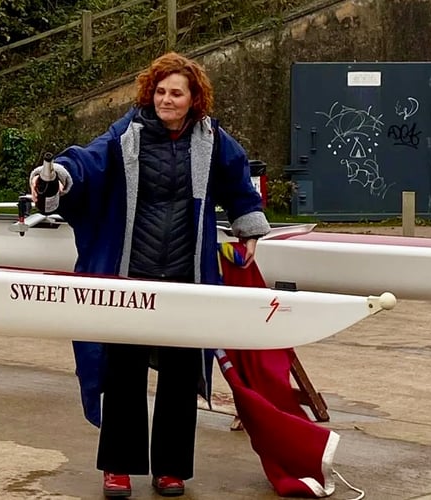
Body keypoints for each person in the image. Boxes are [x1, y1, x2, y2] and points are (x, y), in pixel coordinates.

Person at [30, 51, 270, 498]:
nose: (166, 99)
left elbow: (239, 181)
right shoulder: (129, 133)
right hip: (132, 276)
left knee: (180, 376)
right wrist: (58, 177)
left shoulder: (212, 138)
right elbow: (87, 161)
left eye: (176, 92)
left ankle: (170, 470)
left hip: (185, 277)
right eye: (160, 91)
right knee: (123, 373)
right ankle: (118, 469)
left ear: (194, 97)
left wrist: (248, 226)